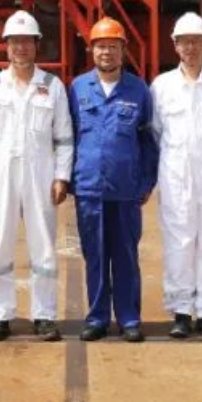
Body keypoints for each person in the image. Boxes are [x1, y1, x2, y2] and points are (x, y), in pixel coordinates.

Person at [0, 9, 73, 343]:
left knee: (43, 244)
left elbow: (64, 137)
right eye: (14, 41)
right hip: (1, 173)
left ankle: (44, 315)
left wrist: (61, 176)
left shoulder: (52, 86)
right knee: (0, 242)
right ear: (6, 45)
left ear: (36, 45)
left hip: (40, 173)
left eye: (26, 41)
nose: (20, 47)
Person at [69, 17, 159, 342]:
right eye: (100, 46)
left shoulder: (138, 89)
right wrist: (68, 179)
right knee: (94, 256)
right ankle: (97, 318)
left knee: (125, 256)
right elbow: (68, 137)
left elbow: (148, 140)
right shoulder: (77, 88)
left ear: (123, 50)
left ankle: (129, 318)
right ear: (91, 50)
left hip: (125, 190)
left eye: (113, 46)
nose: (106, 52)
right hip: (89, 188)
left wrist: (146, 182)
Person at [149, 11, 202, 341]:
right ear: (175, 46)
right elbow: (156, 130)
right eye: (184, 42)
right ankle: (181, 311)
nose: (190, 48)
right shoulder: (161, 86)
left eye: (196, 41)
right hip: (175, 175)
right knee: (179, 242)